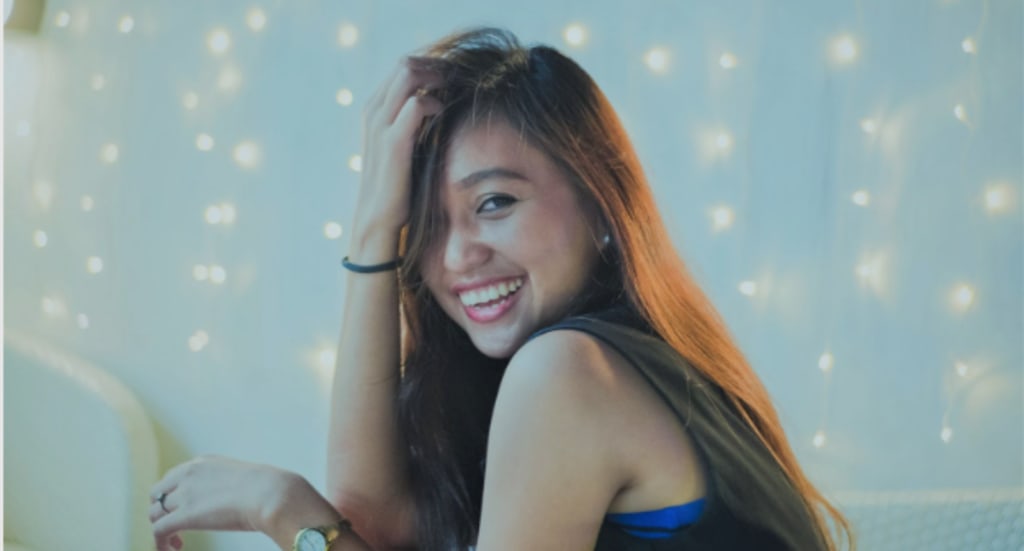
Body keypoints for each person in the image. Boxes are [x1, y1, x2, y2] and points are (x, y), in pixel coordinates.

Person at [148, 27, 853, 551]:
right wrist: (373, 231)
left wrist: (281, 508)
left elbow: (336, 525)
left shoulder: (569, 372)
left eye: (494, 203)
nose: (457, 256)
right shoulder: (630, 360)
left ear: (600, 204)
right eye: (426, 225)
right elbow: (373, 521)